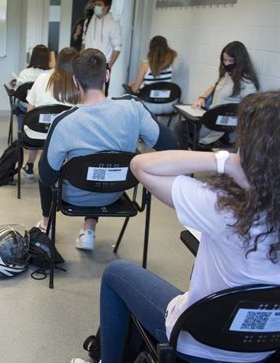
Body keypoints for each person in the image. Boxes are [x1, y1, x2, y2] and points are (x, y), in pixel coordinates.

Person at [69, 91, 280, 363]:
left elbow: (141, 165)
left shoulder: (222, 208)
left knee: (116, 272)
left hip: (198, 345)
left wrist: (222, 160)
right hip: (265, 351)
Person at [36, 49, 174, 248]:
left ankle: (46, 224)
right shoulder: (133, 108)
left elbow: (47, 177)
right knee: (104, 162)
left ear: (75, 81)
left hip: (75, 195)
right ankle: (89, 228)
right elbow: (170, 145)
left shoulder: (63, 122)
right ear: (107, 75)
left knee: (51, 164)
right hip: (116, 191)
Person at [178, 41, 259, 147]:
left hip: (222, 128)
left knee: (180, 127)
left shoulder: (246, 82)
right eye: (224, 60)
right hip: (211, 120)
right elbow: (213, 86)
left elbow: (250, 107)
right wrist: (202, 98)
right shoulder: (226, 74)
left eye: (231, 61)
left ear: (240, 61)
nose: (226, 64)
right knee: (182, 126)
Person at [21, 47, 80, 181]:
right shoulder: (79, 83)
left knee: (38, 124)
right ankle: (63, 166)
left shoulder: (42, 78)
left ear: (57, 62)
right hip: (66, 136)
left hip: (37, 133)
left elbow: (30, 111)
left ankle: (30, 164)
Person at [9, 44, 54, 145]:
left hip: (27, 107)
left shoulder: (25, 73)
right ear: (48, 58)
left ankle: (21, 132)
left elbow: (18, 92)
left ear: (32, 57)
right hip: (47, 108)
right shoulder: (53, 74)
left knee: (19, 106)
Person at [128, 35, 178, 115]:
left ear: (151, 49)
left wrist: (130, 85)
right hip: (168, 105)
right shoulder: (170, 65)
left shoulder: (145, 66)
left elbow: (134, 89)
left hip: (148, 105)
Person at [82, 0, 122, 93]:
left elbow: (117, 47)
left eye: (99, 4)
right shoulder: (88, 21)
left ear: (107, 7)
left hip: (103, 63)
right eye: (95, 4)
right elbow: (84, 41)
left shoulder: (113, 24)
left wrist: (109, 66)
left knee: (101, 92)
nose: (96, 7)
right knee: (84, 90)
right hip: (87, 61)